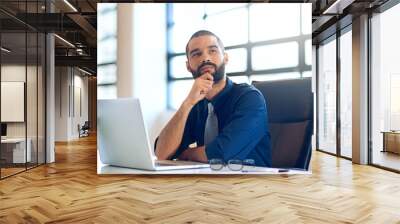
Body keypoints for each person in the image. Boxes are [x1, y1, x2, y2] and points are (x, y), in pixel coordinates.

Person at [155, 30, 271, 167]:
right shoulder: (196, 104)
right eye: (196, 54)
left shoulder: (249, 98)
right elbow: (162, 153)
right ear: (188, 66)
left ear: (225, 58)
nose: (205, 58)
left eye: (212, 51)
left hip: (252, 183)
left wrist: (185, 154)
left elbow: (220, 154)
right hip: (208, 183)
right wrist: (187, 104)